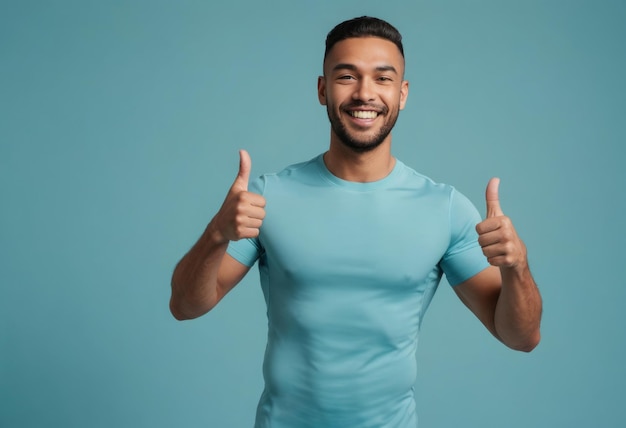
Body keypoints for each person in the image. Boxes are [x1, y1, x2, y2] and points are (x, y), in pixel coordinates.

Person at [170, 16, 542, 428]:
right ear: (322, 89)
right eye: (347, 76)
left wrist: (516, 268)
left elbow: (521, 337)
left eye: (383, 79)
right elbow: (186, 306)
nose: (365, 93)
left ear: (402, 94)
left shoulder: (446, 208)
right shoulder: (266, 197)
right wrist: (216, 235)